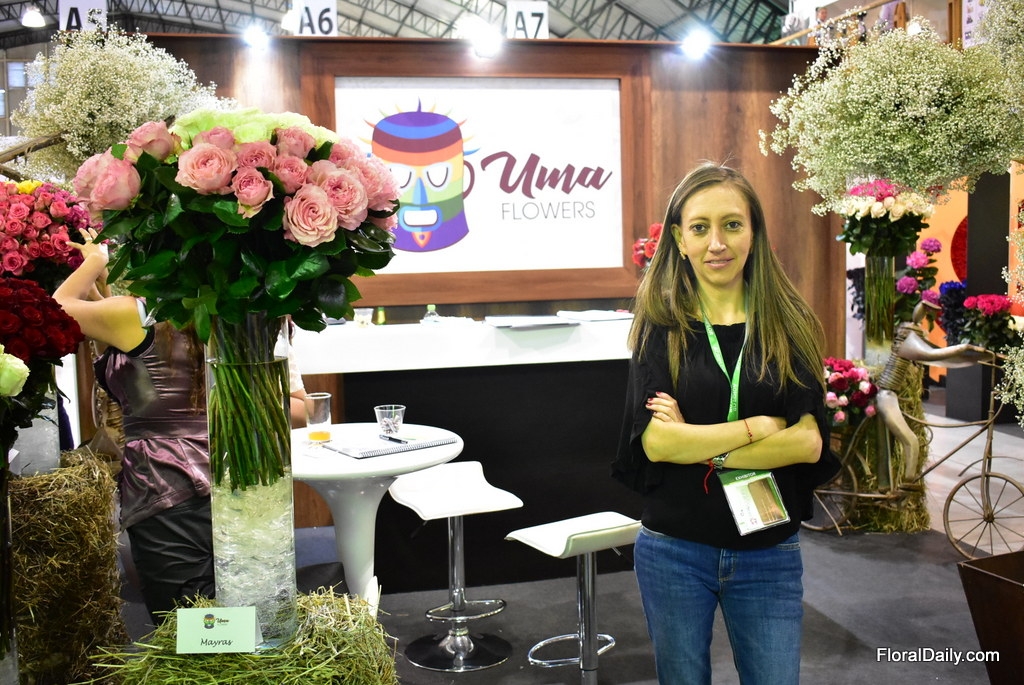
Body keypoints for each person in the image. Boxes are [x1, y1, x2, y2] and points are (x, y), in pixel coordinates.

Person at [613, 163, 839, 684]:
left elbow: (807, 443)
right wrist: (762, 426)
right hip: (674, 549)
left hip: (768, 551)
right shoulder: (660, 327)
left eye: (732, 225)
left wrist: (697, 446)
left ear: (753, 232)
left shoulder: (790, 324)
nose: (717, 243)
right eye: (700, 227)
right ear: (680, 240)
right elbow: (657, 443)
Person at [54, 228, 214, 624]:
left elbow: (55, 308)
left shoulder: (135, 314)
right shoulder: (216, 311)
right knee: (224, 604)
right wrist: (102, 292)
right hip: (219, 466)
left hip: (164, 479)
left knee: (183, 618)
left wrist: (95, 260)